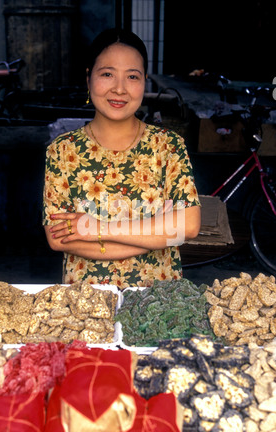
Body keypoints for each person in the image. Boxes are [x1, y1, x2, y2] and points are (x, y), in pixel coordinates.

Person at [43, 28, 201, 288]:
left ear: (144, 82)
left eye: (132, 76)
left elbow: (188, 226)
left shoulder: (168, 146)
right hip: (86, 305)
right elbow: (58, 239)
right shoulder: (62, 151)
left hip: (157, 303)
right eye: (107, 74)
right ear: (89, 79)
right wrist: (155, 235)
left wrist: (97, 229)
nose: (119, 88)